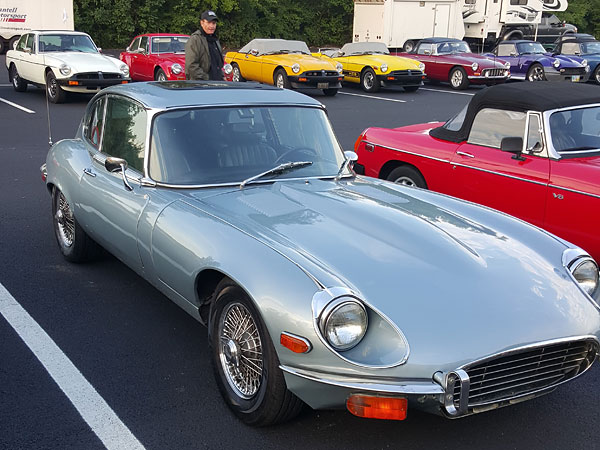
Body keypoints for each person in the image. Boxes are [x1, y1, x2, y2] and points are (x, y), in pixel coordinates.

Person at [185, 10, 224, 81]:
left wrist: (222, 77)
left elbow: (219, 64)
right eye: (209, 23)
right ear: (202, 23)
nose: (212, 26)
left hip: (217, 84)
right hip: (201, 85)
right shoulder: (195, 39)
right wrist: (206, 78)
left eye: (214, 23)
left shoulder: (215, 40)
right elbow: (191, 65)